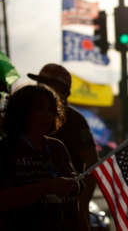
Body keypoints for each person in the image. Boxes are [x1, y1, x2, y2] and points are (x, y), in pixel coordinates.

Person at [27, 63, 98, 230]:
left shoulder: (75, 121)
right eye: (40, 83)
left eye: (49, 84)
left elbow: (93, 163)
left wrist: (82, 201)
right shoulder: (27, 117)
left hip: (67, 207)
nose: (42, 88)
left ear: (64, 91)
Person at [0, 85, 80, 230]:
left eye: (51, 110)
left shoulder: (57, 147)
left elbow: (74, 201)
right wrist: (47, 187)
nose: (47, 115)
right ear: (21, 111)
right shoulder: (6, 148)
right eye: (39, 109)